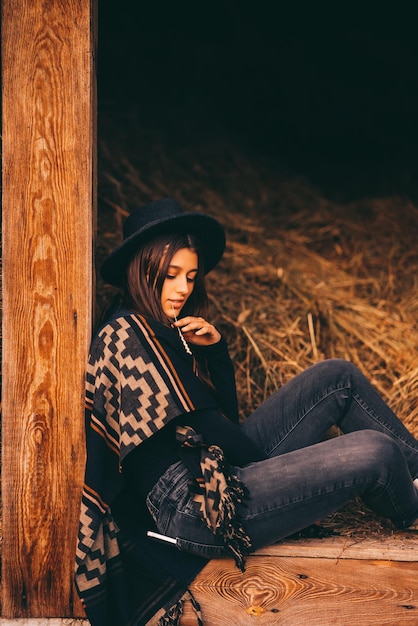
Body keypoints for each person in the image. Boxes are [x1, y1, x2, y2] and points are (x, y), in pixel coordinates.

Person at [75, 198, 418, 626]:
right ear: (142, 271)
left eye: (191, 276)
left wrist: (216, 353)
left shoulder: (164, 330)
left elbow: (222, 423)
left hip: (215, 472)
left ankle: (417, 471)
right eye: (170, 276)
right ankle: (413, 508)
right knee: (374, 452)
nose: (183, 288)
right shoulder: (130, 333)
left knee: (337, 377)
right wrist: (287, 478)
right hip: (192, 508)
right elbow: (213, 428)